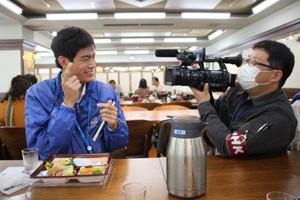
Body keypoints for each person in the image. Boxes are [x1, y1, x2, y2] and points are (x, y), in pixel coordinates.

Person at [25, 27, 129, 159]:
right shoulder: (38, 94)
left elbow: (118, 145)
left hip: (97, 171)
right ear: (63, 61)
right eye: (85, 59)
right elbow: (42, 151)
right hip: (58, 174)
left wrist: (114, 126)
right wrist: (67, 105)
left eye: (93, 57)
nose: (92, 65)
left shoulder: (106, 92)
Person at [190, 40, 297, 157]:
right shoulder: (239, 89)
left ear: (275, 75)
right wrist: (203, 88)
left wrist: (203, 103)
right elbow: (215, 113)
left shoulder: (278, 116)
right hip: (225, 166)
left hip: (255, 172)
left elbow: (228, 146)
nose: (246, 67)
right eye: (247, 61)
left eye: (253, 62)